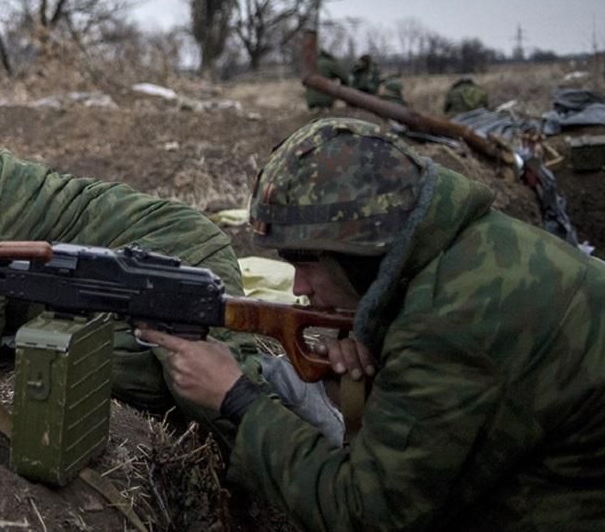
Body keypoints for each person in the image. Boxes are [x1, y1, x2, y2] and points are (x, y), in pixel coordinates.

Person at [0, 72, 340, 440]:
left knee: (172, 385)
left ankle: (309, 437)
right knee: (92, 359)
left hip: (169, 251)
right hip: (130, 261)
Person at [138, 118, 605, 530]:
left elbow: (365, 514)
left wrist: (237, 399)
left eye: (308, 261)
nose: (299, 286)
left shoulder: (449, 322)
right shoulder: (469, 247)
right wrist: (372, 391)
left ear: (363, 252)